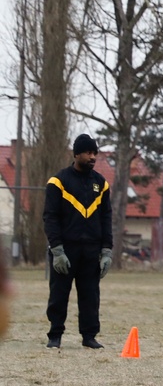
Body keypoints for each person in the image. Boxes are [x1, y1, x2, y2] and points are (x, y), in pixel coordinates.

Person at [43, 134, 114, 350]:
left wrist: (106, 251)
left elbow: (106, 218)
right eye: (88, 153)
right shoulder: (58, 181)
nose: (92, 157)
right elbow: (50, 216)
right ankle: (55, 335)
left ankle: (89, 336)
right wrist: (57, 250)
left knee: (90, 296)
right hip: (65, 249)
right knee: (58, 295)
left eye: (95, 153)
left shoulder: (101, 184)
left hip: (91, 251)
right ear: (76, 154)